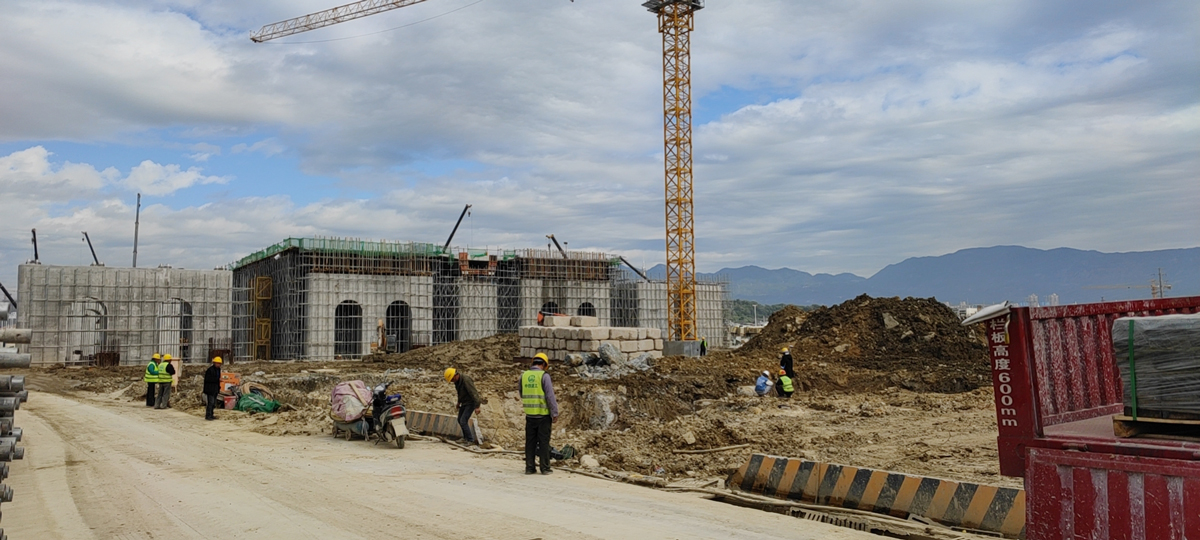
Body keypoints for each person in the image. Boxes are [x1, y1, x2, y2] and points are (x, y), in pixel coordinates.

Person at [520, 353, 559, 475]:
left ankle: (529, 467)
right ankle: (545, 468)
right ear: (544, 364)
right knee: (543, 442)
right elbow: (550, 396)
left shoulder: (524, 376)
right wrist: (554, 412)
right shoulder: (544, 376)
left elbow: (521, 393)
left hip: (530, 415)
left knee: (530, 442)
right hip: (543, 415)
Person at [445, 367, 484, 445]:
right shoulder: (457, 382)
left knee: (463, 421)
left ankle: (470, 440)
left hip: (471, 403)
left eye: (452, 379)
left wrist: (477, 406)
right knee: (460, 419)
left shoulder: (466, 380)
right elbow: (460, 393)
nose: (452, 381)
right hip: (464, 402)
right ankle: (465, 438)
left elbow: (474, 393)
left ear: (455, 375)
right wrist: (459, 402)